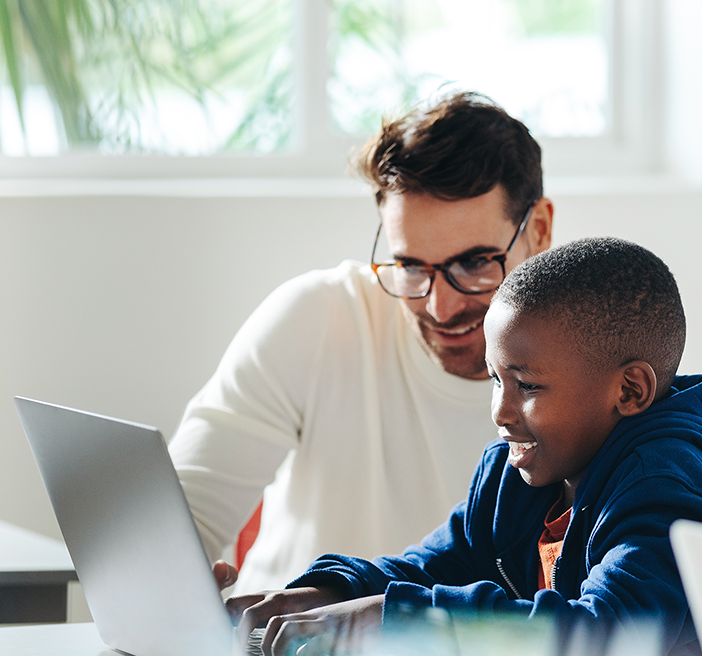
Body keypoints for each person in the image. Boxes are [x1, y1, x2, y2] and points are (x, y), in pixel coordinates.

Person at [226, 237, 702, 656]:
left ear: (629, 391)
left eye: (528, 386)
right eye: (497, 380)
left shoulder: (668, 489)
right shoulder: (513, 476)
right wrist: (334, 593)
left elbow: (603, 636)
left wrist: (398, 621)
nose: (501, 411)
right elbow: (430, 567)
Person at [167, 93, 555, 592]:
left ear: (539, 228)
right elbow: (182, 518)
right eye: (411, 267)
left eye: (475, 263)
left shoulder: (598, 370)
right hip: (276, 651)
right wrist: (176, 589)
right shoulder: (320, 319)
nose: (439, 307)